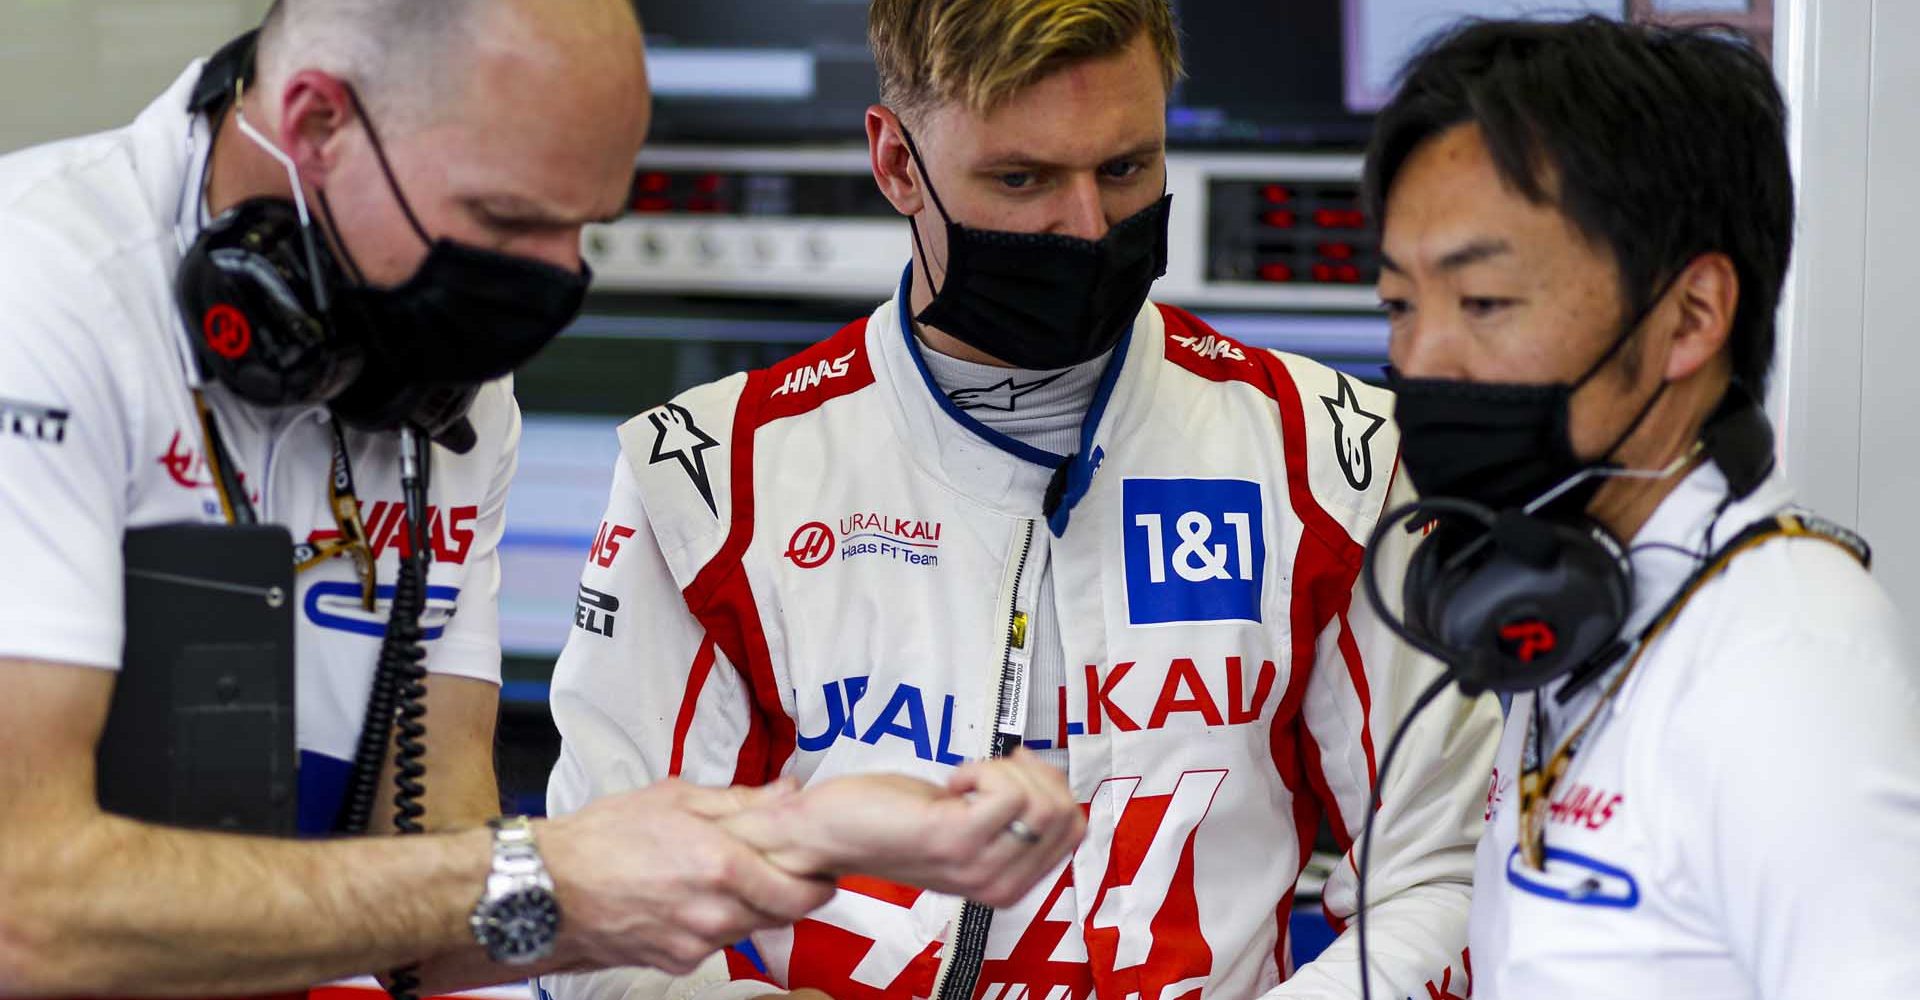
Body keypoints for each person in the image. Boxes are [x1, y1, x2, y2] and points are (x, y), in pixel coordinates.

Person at [0, 0, 1081, 994]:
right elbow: (23, 907)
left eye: (582, 230)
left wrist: (782, 840)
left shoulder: (445, 381)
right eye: (508, 221)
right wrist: (554, 865)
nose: (550, 285)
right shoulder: (46, 295)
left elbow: (445, 908)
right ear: (319, 124)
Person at [542, 1, 1503, 997]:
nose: (1086, 227)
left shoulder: (1334, 456)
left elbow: (1439, 873)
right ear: (897, 163)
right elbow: (605, 929)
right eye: (1022, 178)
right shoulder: (709, 481)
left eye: (1127, 168)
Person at [1364, 16, 1920, 999]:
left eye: (1483, 303)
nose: (1421, 364)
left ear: (1692, 316)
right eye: (1400, 306)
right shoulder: (1575, 590)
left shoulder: (1782, 662)